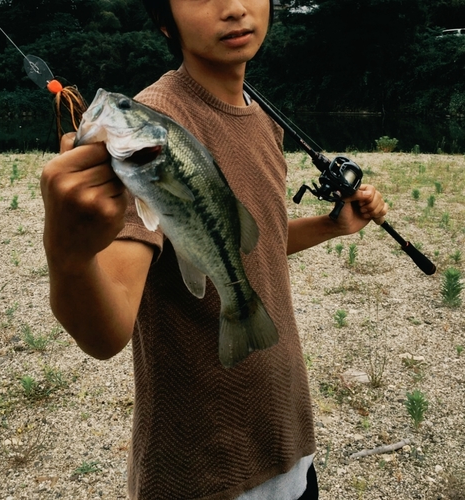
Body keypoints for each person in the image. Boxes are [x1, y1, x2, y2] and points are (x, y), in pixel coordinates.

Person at [40, 0, 388, 498]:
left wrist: (332, 226)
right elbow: (105, 331)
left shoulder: (262, 116)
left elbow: (252, 243)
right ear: (165, 19)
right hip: (203, 468)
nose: (234, 8)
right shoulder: (148, 137)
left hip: (289, 438)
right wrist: (68, 254)